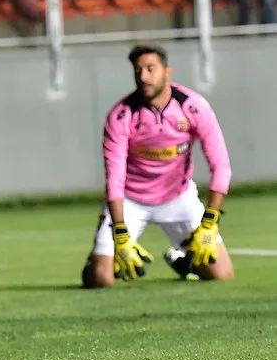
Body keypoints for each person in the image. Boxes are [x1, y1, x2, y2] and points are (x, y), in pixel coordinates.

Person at [81, 45, 235, 288]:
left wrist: (210, 222)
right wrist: (120, 232)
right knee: (102, 279)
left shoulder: (193, 107)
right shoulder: (121, 115)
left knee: (222, 273)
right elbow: (114, 177)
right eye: (138, 70)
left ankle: (183, 262)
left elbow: (221, 166)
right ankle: (95, 262)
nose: (143, 77)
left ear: (167, 72)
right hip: (132, 201)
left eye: (150, 69)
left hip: (178, 199)